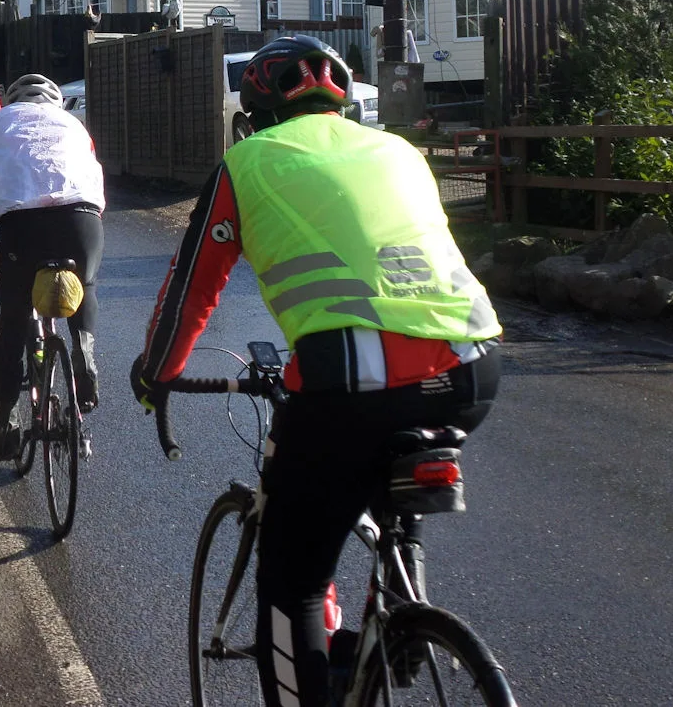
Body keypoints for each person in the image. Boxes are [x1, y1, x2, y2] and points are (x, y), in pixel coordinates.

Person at [130, 35, 502, 707]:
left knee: (294, 580)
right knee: (385, 469)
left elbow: (192, 288)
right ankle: (396, 615)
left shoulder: (246, 161)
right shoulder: (399, 151)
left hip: (349, 381)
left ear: (255, 111)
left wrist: (156, 373)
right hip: (473, 363)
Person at [0, 73, 105, 460]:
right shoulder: (74, 124)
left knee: (13, 320)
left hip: (23, 226)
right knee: (85, 286)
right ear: (55, 104)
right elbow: (92, 172)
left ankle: (5, 423)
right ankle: (84, 350)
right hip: (83, 220)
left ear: (11, 103)